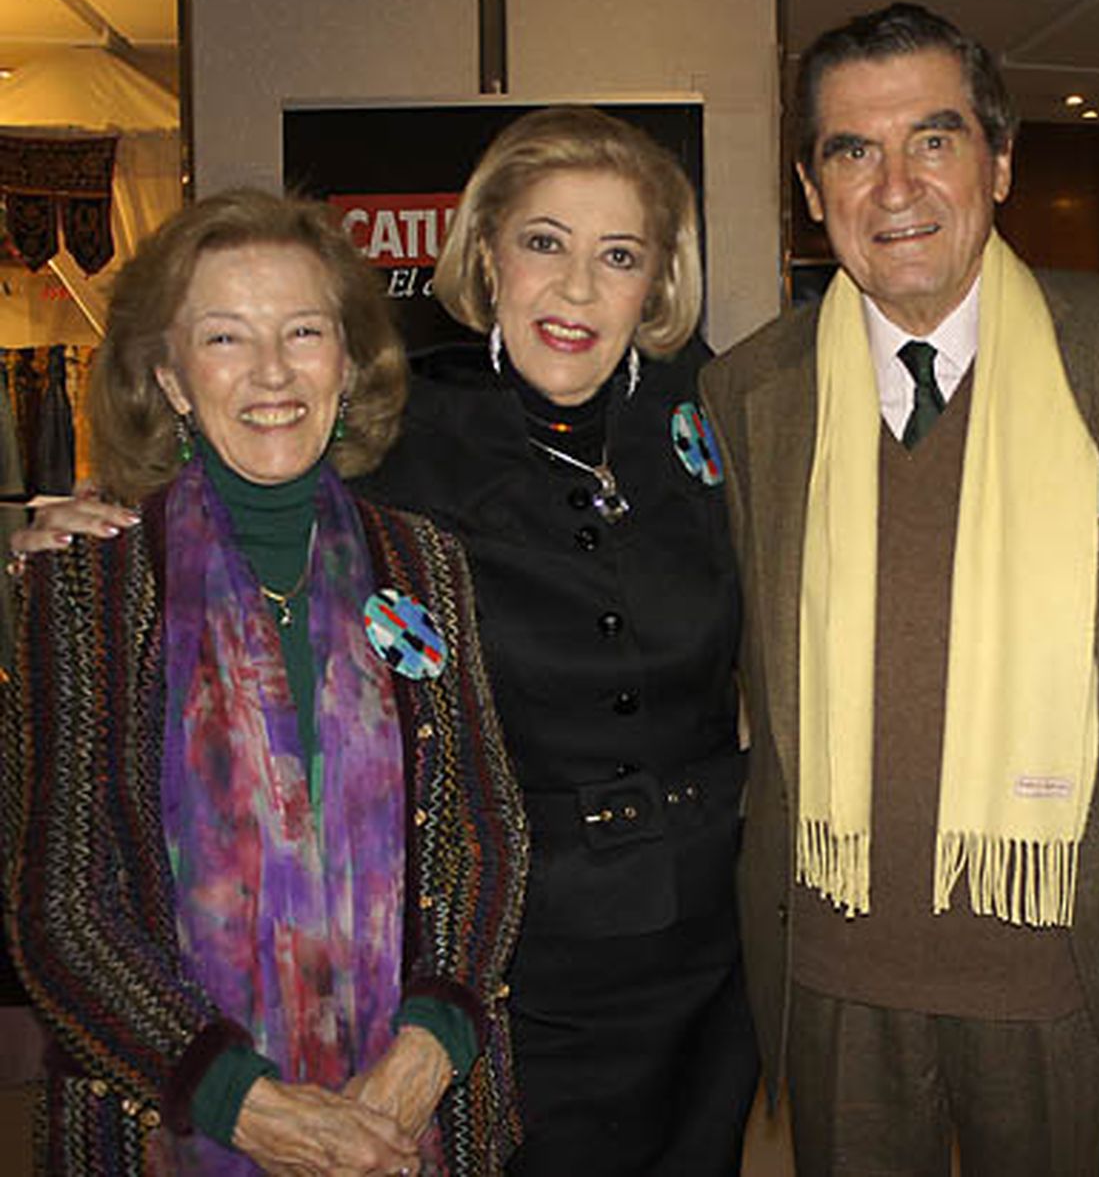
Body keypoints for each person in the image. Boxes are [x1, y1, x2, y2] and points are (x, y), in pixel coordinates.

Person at [13, 108, 758, 1176]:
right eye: (544, 241)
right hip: (529, 973)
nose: (581, 287)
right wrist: (82, 516)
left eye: (621, 255)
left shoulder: (714, 412)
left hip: (697, 945)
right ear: (487, 254)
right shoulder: (412, 446)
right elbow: (65, 901)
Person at [699, 2, 1099, 1175]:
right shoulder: (746, 393)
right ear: (808, 184)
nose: (894, 187)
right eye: (851, 150)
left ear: (997, 161)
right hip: (833, 962)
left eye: (931, 140)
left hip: (1066, 958)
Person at [2, 189, 528, 1175]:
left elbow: (477, 832)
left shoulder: (423, 566)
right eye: (226, 338)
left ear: (348, 358)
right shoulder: (86, 583)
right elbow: (61, 905)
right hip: (172, 1126)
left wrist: (421, 1057)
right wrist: (243, 1104)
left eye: (303, 331)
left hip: (407, 1119)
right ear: (169, 375)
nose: (274, 372)